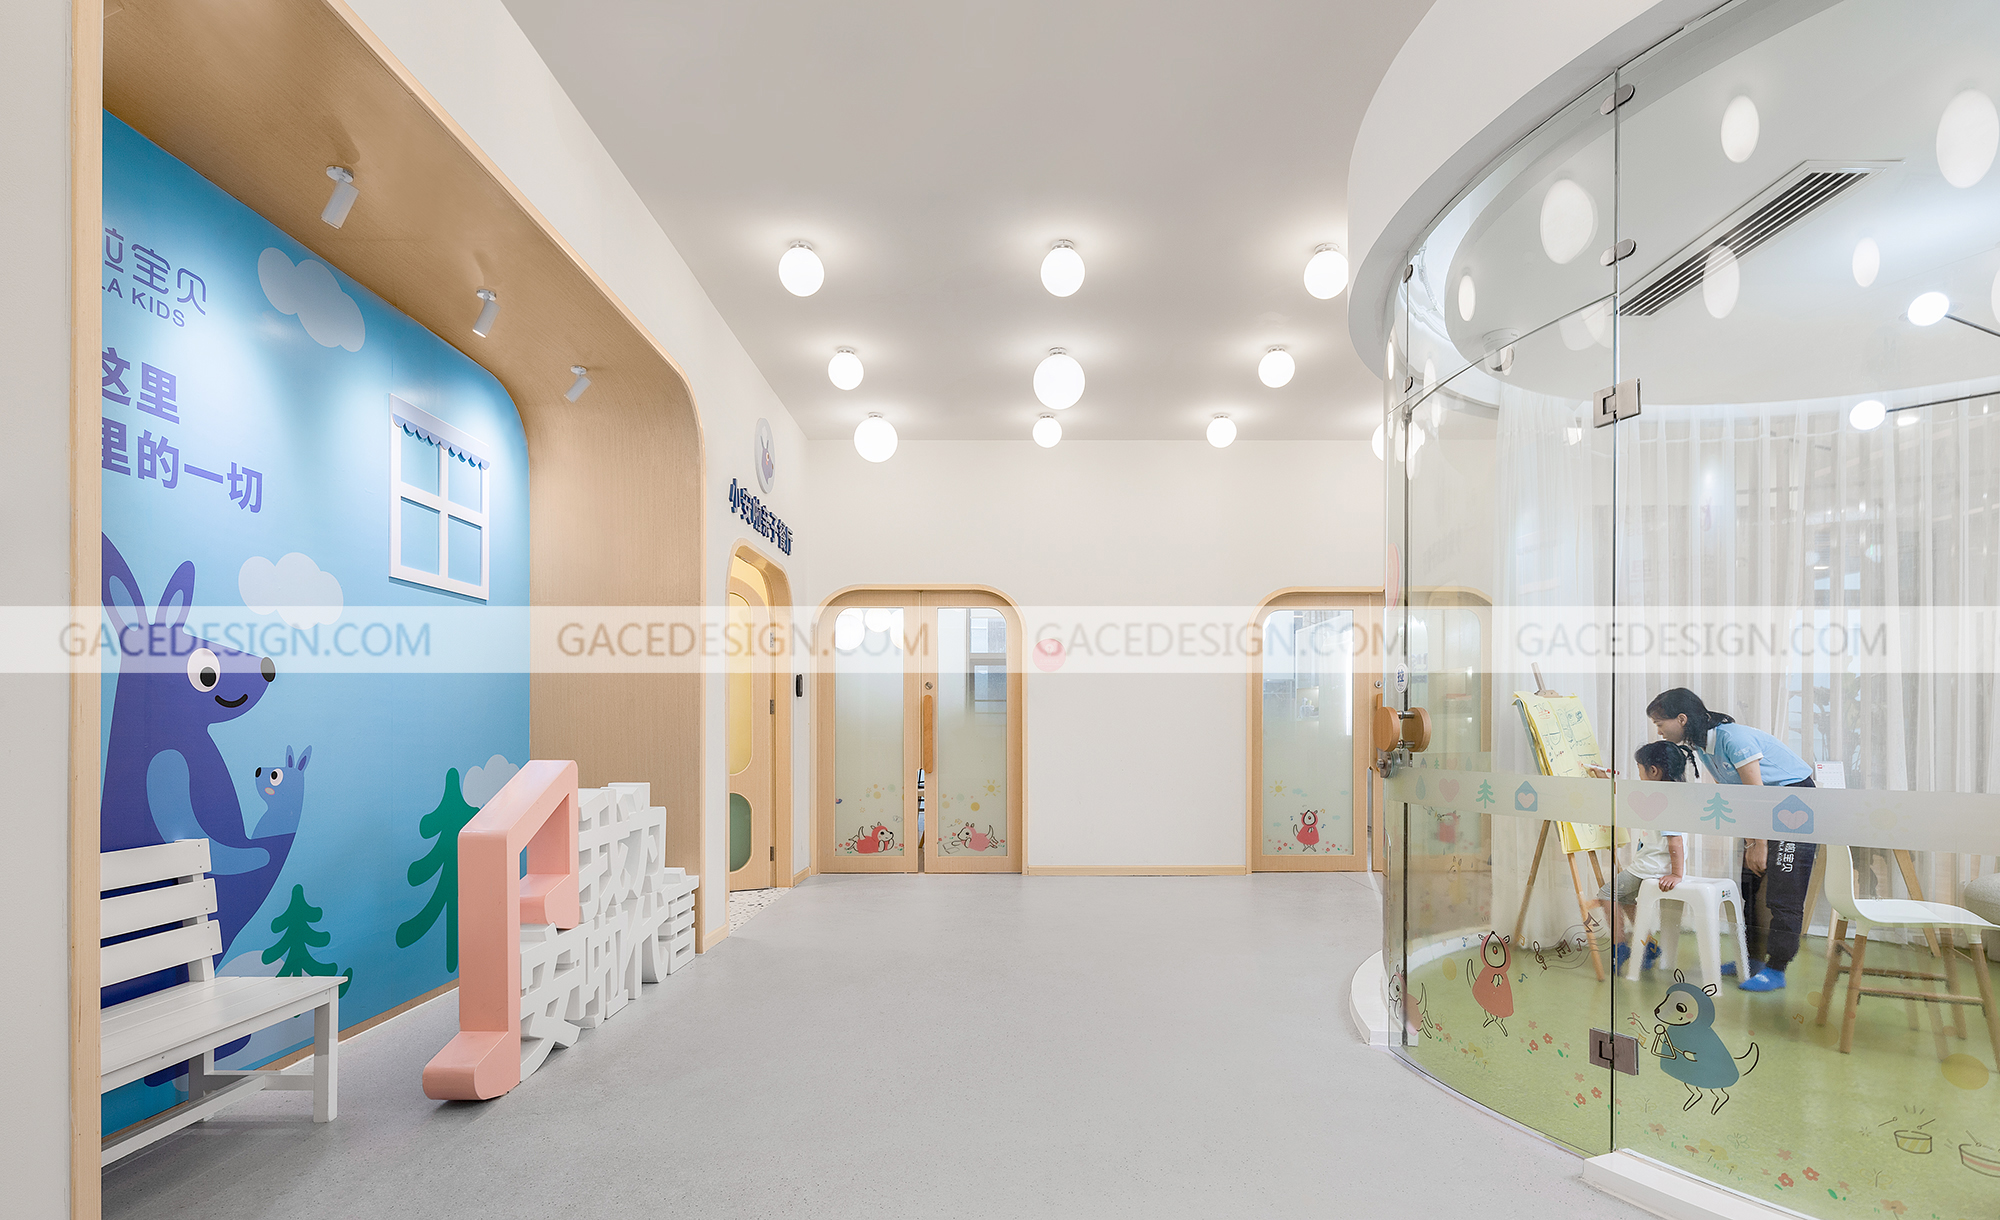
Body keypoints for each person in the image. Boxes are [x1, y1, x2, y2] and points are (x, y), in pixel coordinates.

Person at [1646, 687, 1815, 993]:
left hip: (1793, 802)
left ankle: (1777, 968)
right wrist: (1752, 843)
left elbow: (1755, 796)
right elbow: (1737, 798)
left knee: (1784, 891)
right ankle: (1751, 960)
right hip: (1761, 811)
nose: (1658, 730)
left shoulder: (1732, 739)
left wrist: (1759, 844)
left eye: (1660, 723)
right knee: (1749, 887)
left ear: (1681, 719)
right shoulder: (1703, 746)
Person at [1596, 740, 1689, 971]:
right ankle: (1647, 945)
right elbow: (1628, 798)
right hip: (1652, 866)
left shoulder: (1665, 803)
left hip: (1651, 868)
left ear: (1653, 771)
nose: (1639, 776)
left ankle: (1620, 946)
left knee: (1606, 894)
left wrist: (1677, 874)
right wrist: (1605, 782)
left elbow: (1675, 840)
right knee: (1625, 898)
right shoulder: (1667, 795)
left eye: (1639, 770)